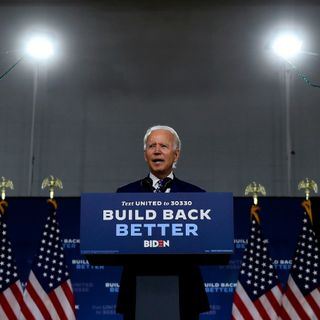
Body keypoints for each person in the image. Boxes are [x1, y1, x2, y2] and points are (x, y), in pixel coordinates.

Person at [116, 125, 210, 320]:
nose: (157, 151)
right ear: (145, 155)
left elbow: (205, 241)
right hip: (137, 291)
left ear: (176, 155)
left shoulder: (197, 196)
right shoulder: (124, 195)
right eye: (152, 146)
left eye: (163, 146)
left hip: (185, 292)